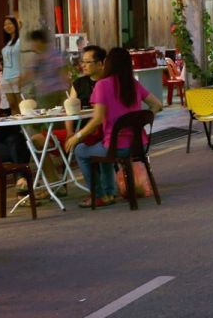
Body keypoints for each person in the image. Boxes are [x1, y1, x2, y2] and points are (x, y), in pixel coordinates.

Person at [65, 47, 163, 208]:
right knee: (101, 147)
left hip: (116, 147)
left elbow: (97, 120)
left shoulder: (102, 85)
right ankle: (108, 193)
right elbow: (157, 105)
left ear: (108, 64)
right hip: (139, 145)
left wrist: (76, 137)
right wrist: (140, 119)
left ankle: (99, 195)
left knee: (80, 150)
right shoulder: (133, 83)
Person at [21, 29, 70, 110]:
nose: (32, 45)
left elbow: (63, 73)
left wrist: (67, 89)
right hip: (44, 93)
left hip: (55, 93)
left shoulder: (54, 54)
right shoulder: (37, 57)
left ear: (39, 41)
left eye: (33, 42)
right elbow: (29, 74)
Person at [70, 45, 108, 109]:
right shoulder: (78, 84)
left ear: (100, 64)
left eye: (87, 62)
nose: (83, 65)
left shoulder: (110, 83)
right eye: (82, 62)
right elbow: (71, 110)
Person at [0, 16, 23, 114]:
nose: (7, 26)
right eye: (5, 25)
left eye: (10, 23)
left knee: (21, 104)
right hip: (6, 78)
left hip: (17, 76)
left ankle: (24, 128)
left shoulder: (20, 40)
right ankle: (17, 128)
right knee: (12, 105)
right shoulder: (7, 42)